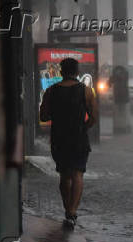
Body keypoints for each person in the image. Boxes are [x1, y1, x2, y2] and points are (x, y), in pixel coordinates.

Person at [40, 58, 98, 229]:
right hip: (79, 138)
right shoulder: (86, 91)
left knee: (64, 175)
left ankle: (67, 210)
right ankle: (72, 212)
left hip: (59, 139)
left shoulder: (51, 91)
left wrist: (58, 115)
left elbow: (43, 116)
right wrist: (83, 128)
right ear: (77, 72)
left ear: (61, 72)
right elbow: (94, 117)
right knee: (78, 174)